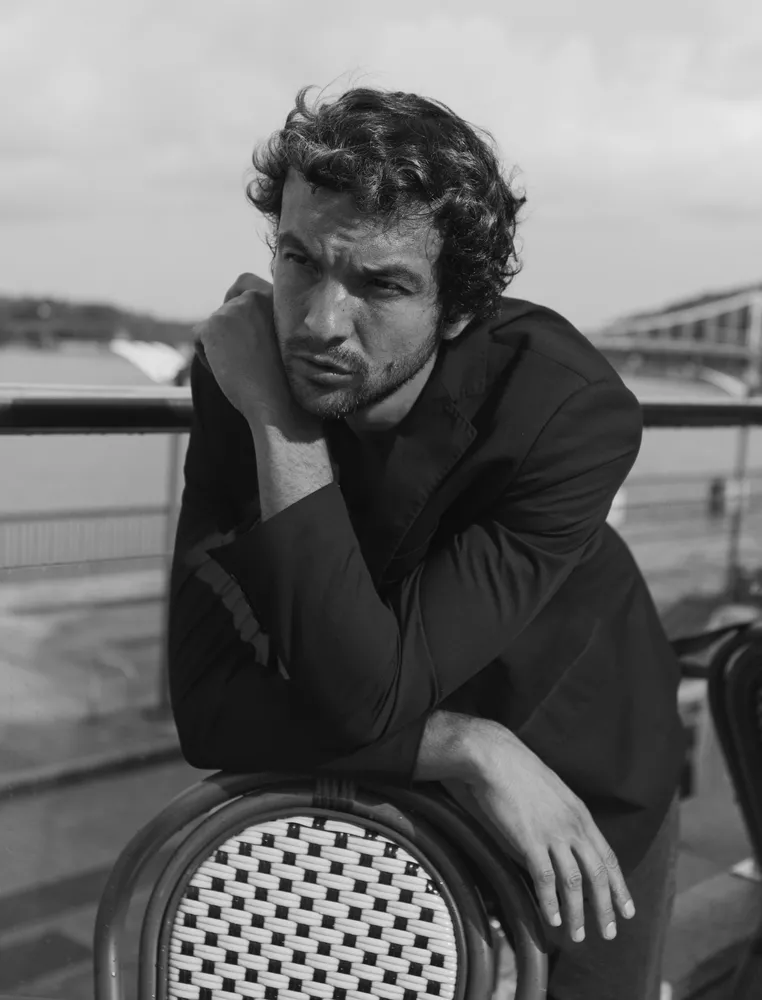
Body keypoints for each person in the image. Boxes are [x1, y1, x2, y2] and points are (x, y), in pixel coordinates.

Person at [168, 86, 686, 999]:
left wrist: (282, 429)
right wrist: (461, 745)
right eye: (299, 260)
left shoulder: (566, 416)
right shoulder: (248, 375)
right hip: (370, 791)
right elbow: (210, 712)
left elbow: (359, 698)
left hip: (571, 786)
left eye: (381, 284)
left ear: (459, 310)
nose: (320, 323)